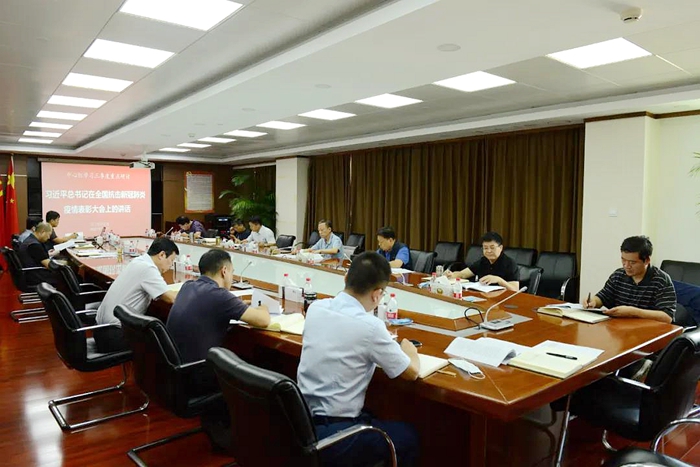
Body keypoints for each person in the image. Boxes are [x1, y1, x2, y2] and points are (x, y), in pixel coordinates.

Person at [297, 251, 420, 466]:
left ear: (345, 278)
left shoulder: (316, 308)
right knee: (408, 436)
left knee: (373, 414)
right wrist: (411, 352)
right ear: (377, 295)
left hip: (300, 423)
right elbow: (411, 373)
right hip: (334, 436)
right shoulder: (371, 327)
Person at [167, 249, 271, 363]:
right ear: (224, 271)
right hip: (199, 368)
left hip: (174, 364)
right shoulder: (220, 295)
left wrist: (238, 305)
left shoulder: (187, 286)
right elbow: (263, 320)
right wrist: (263, 307)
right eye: (232, 272)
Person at [94, 238, 180, 353]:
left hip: (99, 329)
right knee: (164, 341)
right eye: (171, 260)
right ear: (162, 255)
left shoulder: (138, 261)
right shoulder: (148, 268)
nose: (171, 265)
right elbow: (171, 298)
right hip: (114, 336)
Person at [583, 236, 676, 324]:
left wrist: (634, 312)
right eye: (623, 260)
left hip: (648, 330)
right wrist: (593, 301)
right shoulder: (618, 275)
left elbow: (667, 317)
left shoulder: (661, 280)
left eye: (632, 262)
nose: (626, 266)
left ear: (647, 260)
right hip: (619, 328)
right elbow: (603, 297)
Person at [445, 231, 519, 291]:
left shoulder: (510, 264)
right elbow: (463, 274)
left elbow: (515, 290)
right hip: (484, 297)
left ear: (501, 248)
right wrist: (451, 275)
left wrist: (499, 280)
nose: (489, 251)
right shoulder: (483, 261)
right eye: (485, 248)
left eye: (492, 248)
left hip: (502, 300)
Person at [18, 222, 58, 286]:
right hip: (36, 276)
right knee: (64, 276)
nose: (48, 238)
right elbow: (50, 265)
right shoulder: (34, 245)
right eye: (48, 235)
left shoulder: (30, 240)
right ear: (42, 232)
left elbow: (38, 256)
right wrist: (66, 264)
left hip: (30, 273)